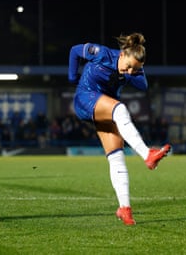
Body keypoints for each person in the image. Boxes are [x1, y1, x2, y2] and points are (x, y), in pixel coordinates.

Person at [68, 32, 171, 226]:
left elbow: (144, 84)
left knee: (116, 156)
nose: (131, 71)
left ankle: (124, 209)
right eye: (129, 66)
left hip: (103, 107)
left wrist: (130, 73)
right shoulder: (102, 54)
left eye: (136, 68)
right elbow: (75, 51)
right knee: (120, 109)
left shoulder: (133, 70)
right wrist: (73, 77)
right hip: (85, 97)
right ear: (122, 54)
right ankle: (147, 154)